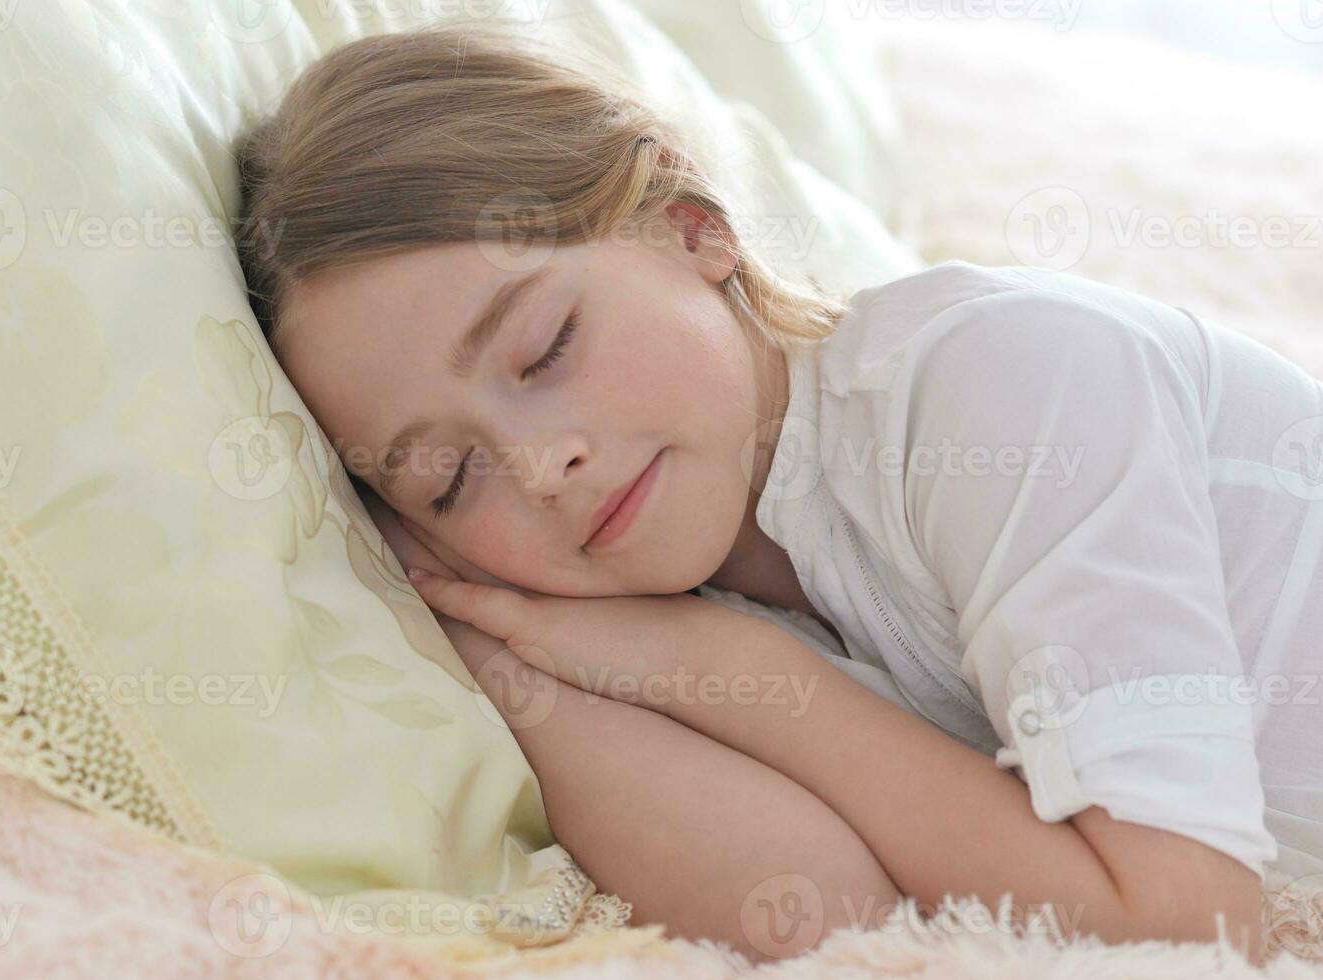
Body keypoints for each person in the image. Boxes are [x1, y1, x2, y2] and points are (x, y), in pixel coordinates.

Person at [235, 23, 1323, 964]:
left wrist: (748, 679)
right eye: (451, 478)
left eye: (544, 347)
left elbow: (1186, 932)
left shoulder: (1002, 387)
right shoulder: (664, 606)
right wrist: (480, 635)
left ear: (690, 225)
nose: (538, 467)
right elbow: (834, 931)